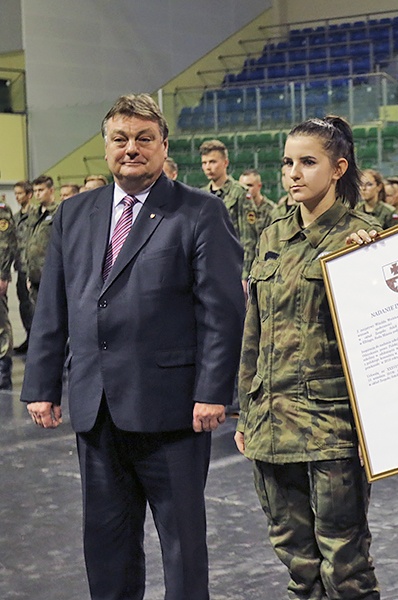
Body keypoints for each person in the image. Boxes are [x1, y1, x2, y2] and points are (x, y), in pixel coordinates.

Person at [20, 93, 245, 599]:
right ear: (105, 147)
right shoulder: (75, 214)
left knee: (182, 546)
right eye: (120, 139)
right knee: (105, 541)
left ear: (164, 146)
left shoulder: (200, 212)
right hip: (96, 408)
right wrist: (41, 384)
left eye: (144, 139)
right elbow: (54, 303)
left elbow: (223, 313)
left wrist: (214, 393)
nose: (131, 149)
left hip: (173, 410)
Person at [235, 116, 380, 599]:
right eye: (287, 163)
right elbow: (253, 329)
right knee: (296, 561)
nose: (293, 173)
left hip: (331, 427)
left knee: (345, 565)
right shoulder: (272, 235)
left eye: (307, 162)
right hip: (270, 424)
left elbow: (382, 340)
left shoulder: (364, 238)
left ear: (339, 168)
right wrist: (245, 409)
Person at [200, 138, 260, 291]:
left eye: (213, 162)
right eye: (204, 163)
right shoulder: (201, 195)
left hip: (233, 268)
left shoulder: (240, 194)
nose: (208, 167)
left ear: (225, 163)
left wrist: (245, 275)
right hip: (208, 268)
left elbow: (248, 238)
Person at [24, 174, 58, 308]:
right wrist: (29, 275)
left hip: (50, 274)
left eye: (41, 190)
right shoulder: (34, 215)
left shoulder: (59, 212)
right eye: (35, 191)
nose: (37, 194)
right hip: (35, 275)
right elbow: (30, 244)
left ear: (51, 190)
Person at [12, 180, 33, 354]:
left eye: (20, 193)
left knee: (36, 306)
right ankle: (29, 336)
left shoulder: (35, 215)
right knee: (24, 305)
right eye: (16, 194)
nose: (17, 197)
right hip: (20, 267)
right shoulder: (16, 218)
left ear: (29, 194)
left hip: (34, 268)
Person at [0, 192, 16, 389]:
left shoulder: (2, 211)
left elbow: (5, 244)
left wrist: (3, 275)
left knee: (0, 322)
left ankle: (3, 369)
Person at [239, 168, 276, 232]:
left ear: (259, 186)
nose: (245, 189)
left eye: (249, 185)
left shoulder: (271, 210)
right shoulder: (238, 209)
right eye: (242, 186)